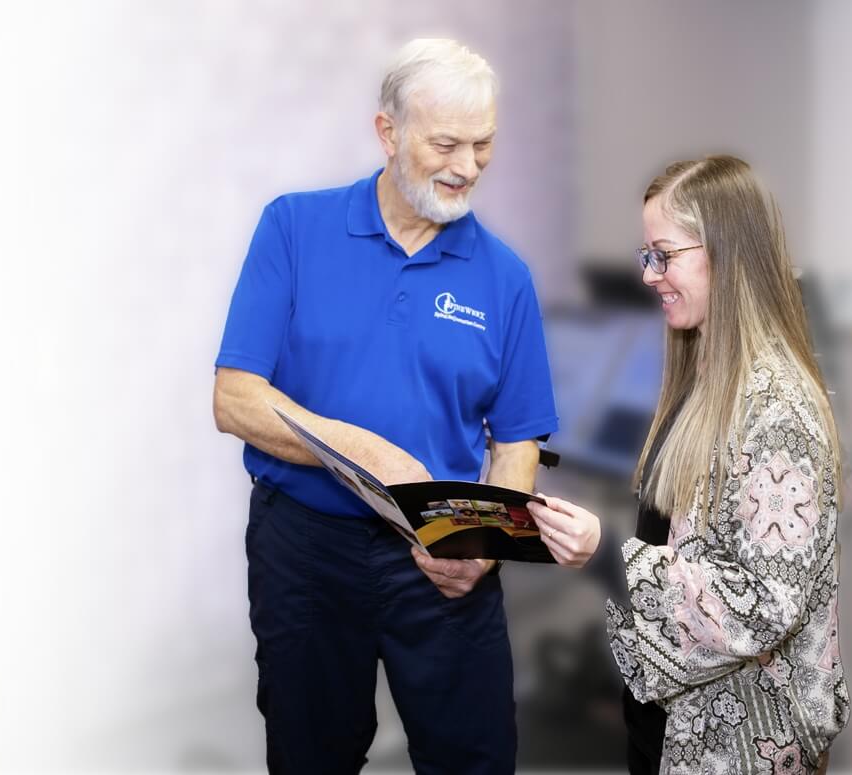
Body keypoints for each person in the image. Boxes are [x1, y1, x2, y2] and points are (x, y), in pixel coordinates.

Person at [212, 39, 595, 774]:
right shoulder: (293, 228)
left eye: (483, 144)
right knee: (309, 756)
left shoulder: (505, 278)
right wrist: (367, 452)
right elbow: (235, 399)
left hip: (442, 549)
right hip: (305, 552)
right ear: (388, 133)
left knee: (474, 759)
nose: (468, 166)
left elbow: (517, 440)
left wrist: (485, 546)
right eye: (446, 144)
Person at [525, 156, 849, 773]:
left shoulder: (778, 411)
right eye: (646, 255)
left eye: (664, 255)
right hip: (670, 725)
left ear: (725, 254)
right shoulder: (702, 379)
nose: (649, 275)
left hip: (738, 744)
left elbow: (764, 604)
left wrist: (606, 553)